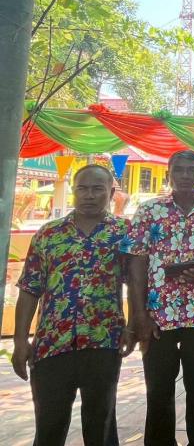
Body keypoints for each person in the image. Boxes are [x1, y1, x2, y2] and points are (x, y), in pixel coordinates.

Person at [12, 164, 134, 446]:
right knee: (49, 426)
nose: (89, 195)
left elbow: (138, 283)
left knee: (101, 426)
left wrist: (133, 325)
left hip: (103, 342)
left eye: (97, 189)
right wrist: (20, 340)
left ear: (111, 193)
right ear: (73, 191)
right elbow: (29, 289)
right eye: (83, 188)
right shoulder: (48, 234)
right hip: (52, 344)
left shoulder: (123, 233)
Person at [125, 150, 194, 446]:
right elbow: (136, 263)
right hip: (158, 315)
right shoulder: (149, 211)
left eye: (191, 170)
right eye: (179, 170)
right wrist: (139, 316)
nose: (185, 175)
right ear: (169, 174)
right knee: (158, 392)